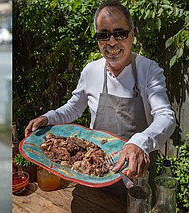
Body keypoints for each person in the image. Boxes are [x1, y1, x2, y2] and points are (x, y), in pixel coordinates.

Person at [25, 0, 176, 210]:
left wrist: (140, 142)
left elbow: (166, 117)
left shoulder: (148, 70)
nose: (112, 42)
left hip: (135, 178)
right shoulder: (91, 71)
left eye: (120, 33)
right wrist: (49, 118)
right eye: (103, 35)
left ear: (132, 34)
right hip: (94, 172)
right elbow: (74, 107)